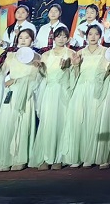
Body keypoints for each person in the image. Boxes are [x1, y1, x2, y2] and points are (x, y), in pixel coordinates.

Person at [0, 29, 41, 171]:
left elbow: (36, 78)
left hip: (26, 94)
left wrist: (17, 80)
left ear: (32, 40)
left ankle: (20, 158)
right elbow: (0, 74)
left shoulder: (36, 57)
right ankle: (5, 158)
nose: (23, 40)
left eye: (27, 38)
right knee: (8, 123)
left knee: (22, 123)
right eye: (21, 37)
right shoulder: (11, 55)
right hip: (11, 93)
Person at [61, 25, 107, 168]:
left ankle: (91, 155)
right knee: (78, 120)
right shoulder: (80, 52)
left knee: (94, 120)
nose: (93, 37)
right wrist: (75, 66)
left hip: (97, 89)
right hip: (81, 88)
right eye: (90, 34)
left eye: (96, 34)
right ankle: (77, 155)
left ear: (100, 36)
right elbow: (75, 74)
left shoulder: (105, 52)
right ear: (86, 36)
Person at [30, 27, 74, 170]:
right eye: (58, 36)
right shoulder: (46, 55)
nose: (61, 39)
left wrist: (69, 67)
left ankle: (59, 157)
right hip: (49, 91)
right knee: (47, 123)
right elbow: (43, 75)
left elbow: (75, 74)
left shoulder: (71, 53)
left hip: (63, 91)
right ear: (54, 38)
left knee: (61, 122)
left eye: (64, 36)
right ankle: (46, 156)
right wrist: (39, 68)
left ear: (68, 38)